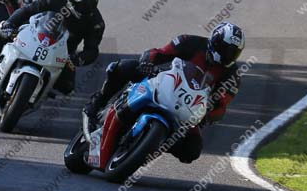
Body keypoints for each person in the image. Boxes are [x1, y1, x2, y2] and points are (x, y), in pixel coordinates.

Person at [85, 22, 245, 163]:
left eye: (234, 52)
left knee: (192, 150)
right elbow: (159, 53)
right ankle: (97, 102)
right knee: (123, 67)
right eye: (226, 49)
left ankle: (152, 144)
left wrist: (209, 115)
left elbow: (221, 105)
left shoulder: (232, 76)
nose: (228, 55)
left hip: (187, 109)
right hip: (162, 82)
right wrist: (147, 62)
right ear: (215, 41)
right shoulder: (190, 42)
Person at [0, 0, 105, 89]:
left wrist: (78, 59)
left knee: (67, 87)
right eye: (82, 5)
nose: (85, 9)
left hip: (63, 53)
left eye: (90, 5)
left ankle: (41, 92)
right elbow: (28, 10)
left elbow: (92, 49)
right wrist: (10, 23)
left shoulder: (96, 23)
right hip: (34, 34)